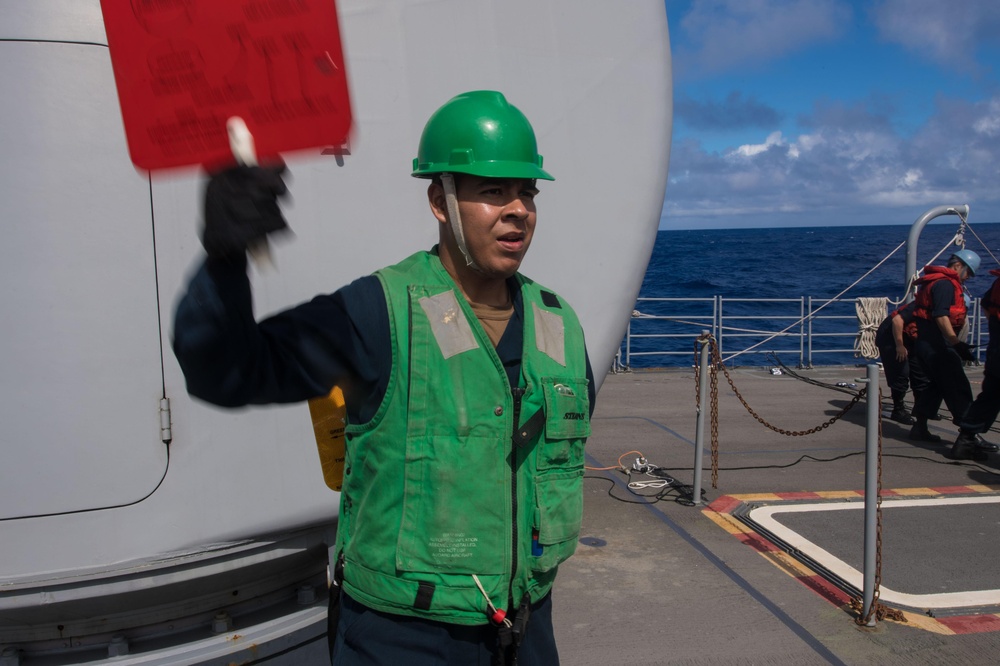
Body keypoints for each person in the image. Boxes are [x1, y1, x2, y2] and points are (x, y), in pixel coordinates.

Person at [172, 90, 594, 665]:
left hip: (525, 633)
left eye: (527, 192)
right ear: (439, 202)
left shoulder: (559, 325)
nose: (517, 209)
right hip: (402, 640)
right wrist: (224, 257)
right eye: (493, 192)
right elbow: (227, 370)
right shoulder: (379, 313)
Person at [907, 251, 997, 460]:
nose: (968, 278)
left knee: (935, 386)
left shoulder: (932, 283)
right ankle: (969, 437)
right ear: (958, 266)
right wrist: (956, 343)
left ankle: (919, 427)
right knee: (959, 388)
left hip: (925, 345)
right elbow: (940, 315)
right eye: (968, 274)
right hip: (938, 347)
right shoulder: (945, 284)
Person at [953, 269, 1000, 460]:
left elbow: (987, 306)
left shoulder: (997, 284)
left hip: (996, 351)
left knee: (990, 396)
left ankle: (966, 440)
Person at [874, 301, 928, 424]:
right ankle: (898, 409)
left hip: (911, 340)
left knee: (920, 375)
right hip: (891, 339)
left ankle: (921, 410)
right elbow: (897, 320)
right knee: (900, 373)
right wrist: (899, 345)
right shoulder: (920, 305)